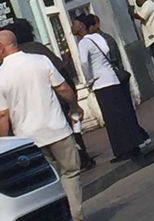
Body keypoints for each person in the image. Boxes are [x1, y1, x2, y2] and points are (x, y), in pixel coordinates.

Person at [0, 29, 84, 220]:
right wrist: (74, 106)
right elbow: (62, 88)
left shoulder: (0, 75)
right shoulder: (40, 60)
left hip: (28, 138)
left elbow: (3, 115)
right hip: (57, 129)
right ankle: (76, 215)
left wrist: (4, 141)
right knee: (70, 173)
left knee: (45, 181)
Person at [7, 18, 94, 172]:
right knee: (70, 132)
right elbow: (61, 73)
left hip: (30, 112)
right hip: (55, 100)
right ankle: (82, 159)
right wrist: (72, 100)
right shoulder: (39, 49)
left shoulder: (11, 60)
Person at [72, 15, 149, 163]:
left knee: (112, 119)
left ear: (81, 25)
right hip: (112, 78)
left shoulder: (83, 43)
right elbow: (107, 51)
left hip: (101, 83)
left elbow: (84, 63)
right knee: (122, 114)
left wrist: (89, 79)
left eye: (74, 23)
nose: (72, 27)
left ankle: (122, 150)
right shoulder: (98, 37)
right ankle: (134, 145)